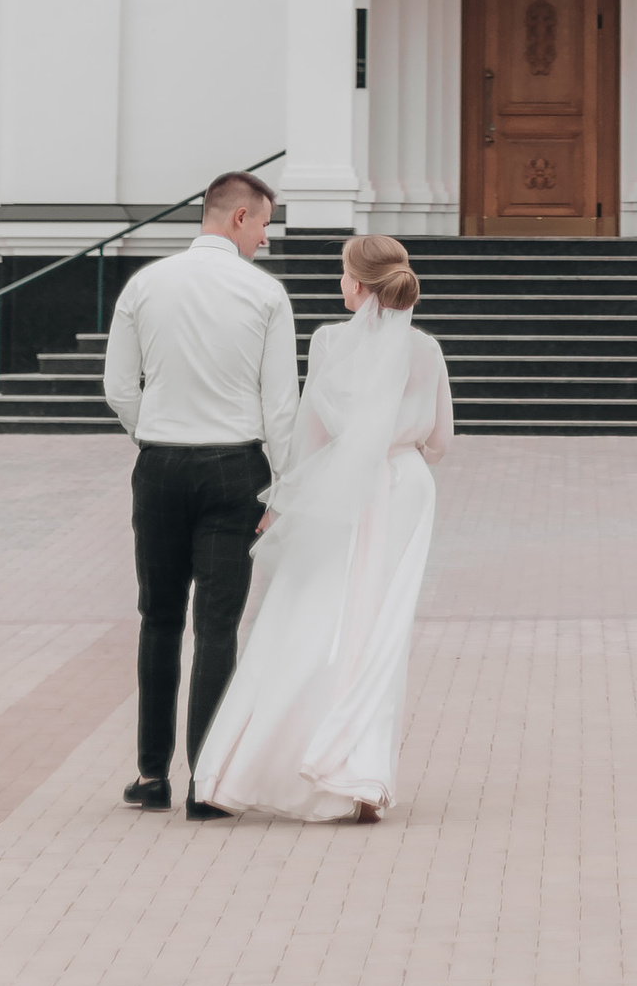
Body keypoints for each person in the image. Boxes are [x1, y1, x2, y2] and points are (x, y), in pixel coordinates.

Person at [188, 231, 453, 826]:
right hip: (407, 487)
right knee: (380, 629)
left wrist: (282, 502)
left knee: (312, 616)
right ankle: (361, 772)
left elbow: (311, 435)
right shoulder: (427, 348)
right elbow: (441, 440)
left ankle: (275, 759)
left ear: (358, 285)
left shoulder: (330, 342)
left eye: (342, 274)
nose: (340, 283)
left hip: (342, 488)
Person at [104, 168, 297, 821]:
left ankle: (151, 776)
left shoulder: (144, 285)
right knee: (217, 629)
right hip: (234, 471)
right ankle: (205, 784)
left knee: (158, 620)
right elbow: (282, 408)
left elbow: (119, 387)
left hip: (159, 467)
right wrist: (282, 489)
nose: (266, 240)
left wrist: (152, 435)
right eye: (265, 224)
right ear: (239, 218)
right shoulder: (266, 296)